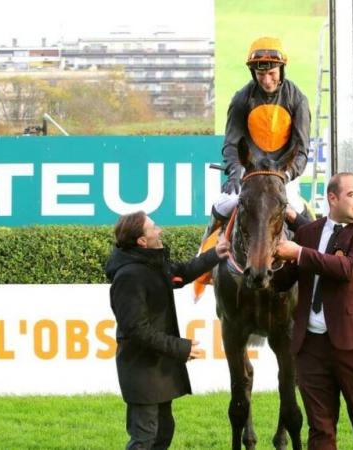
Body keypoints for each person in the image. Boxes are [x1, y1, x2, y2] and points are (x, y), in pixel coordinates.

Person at [274, 173, 353, 450]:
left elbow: (350, 269)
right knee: (320, 429)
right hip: (311, 345)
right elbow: (280, 281)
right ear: (332, 198)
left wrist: (299, 253)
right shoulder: (308, 233)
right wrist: (260, 259)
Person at [105, 211, 229, 450]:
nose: (159, 230)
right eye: (154, 228)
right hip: (142, 371)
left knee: (163, 433)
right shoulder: (129, 276)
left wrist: (215, 254)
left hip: (157, 369)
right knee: (145, 439)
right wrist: (180, 348)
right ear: (142, 240)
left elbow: (181, 273)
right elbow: (136, 330)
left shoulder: (149, 263)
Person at [199, 36, 310, 250]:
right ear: (253, 73)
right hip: (250, 173)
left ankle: (316, 268)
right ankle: (202, 261)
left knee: (298, 211)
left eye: (271, 73)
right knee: (223, 205)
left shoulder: (298, 100)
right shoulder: (241, 99)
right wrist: (236, 172)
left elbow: (301, 150)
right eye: (261, 74)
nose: (267, 80)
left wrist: (285, 175)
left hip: (284, 173)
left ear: (281, 70)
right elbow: (231, 145)